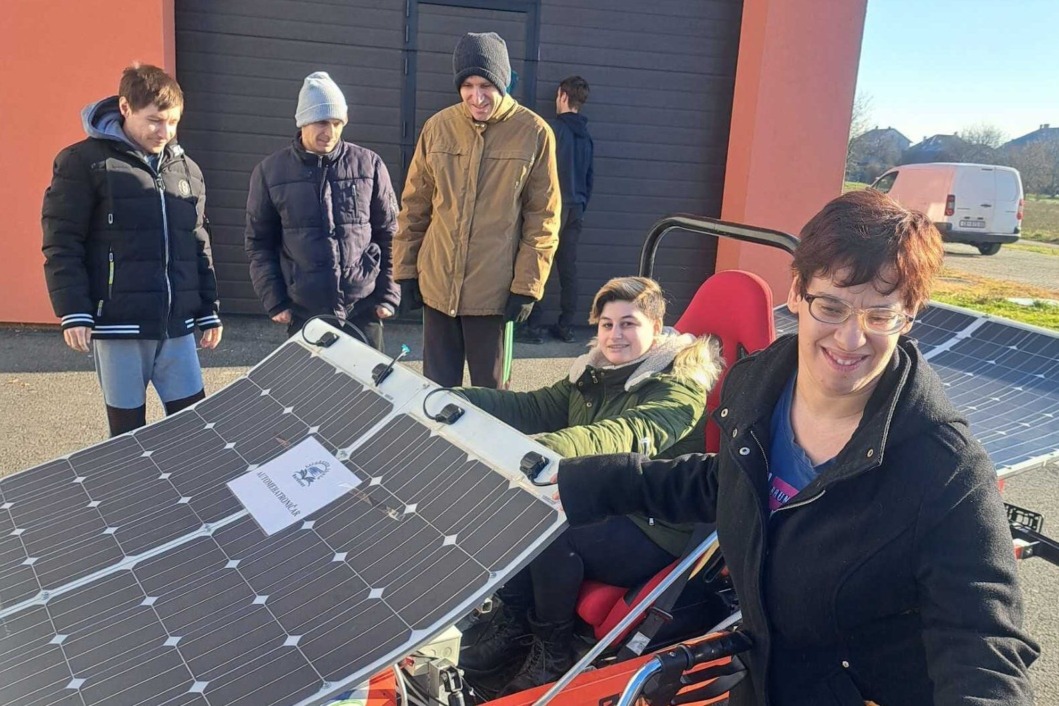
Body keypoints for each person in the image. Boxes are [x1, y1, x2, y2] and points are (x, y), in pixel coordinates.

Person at [556, 190, 1039, 705]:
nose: (851, 339)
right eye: (831, 306)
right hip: (760, 682)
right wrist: (581, 480)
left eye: (880, 315)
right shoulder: (758, 386)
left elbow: (983, 643)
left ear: (910, 315)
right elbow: (731, 483)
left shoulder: (947, 471)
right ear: (797, 292)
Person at [456, 276, 724, 692]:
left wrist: (545, 451)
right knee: (523, 509)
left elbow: (626, 434)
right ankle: (516, 622)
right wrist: (455, 400)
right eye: (606, 324)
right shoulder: (595, 373)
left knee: (552, 529)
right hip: (601, 496)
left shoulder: (679, 387)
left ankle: (552, 651)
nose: (615, 335)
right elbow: (534, 406)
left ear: (656, 327)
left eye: (628, 324)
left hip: (654, 522)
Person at [42, 64, 222, 437]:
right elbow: (62, 240)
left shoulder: (187, 169)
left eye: (172, 122)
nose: (165, 132)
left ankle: (189, 496)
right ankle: (130, 497)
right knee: (127, 438)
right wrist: (74, 311)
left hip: (177, 329)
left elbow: (197, 242)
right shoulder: (83, 162)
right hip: (118, 326)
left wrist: (208, 310)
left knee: (196, 431)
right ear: (125, 108)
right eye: (155, 121)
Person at [393, 31, 561, 387]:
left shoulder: (534, 133)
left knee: (493, 397)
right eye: (467, 85)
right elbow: (415, 205)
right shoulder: (438, 128)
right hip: (438, 287)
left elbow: (543, 217)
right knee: (436, 393)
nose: (477, 96)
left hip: (495, 295)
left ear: (502, 82)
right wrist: (406, 270)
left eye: (486, 84)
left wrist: (527, 286)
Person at [245, 72, 399, 347]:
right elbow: (259, 243)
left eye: (337, 122)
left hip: (363, 309)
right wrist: (275, 300)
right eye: (320, 122)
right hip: (305, 311)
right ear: (303, 121)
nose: (329, 132)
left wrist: (388, 294)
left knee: (369, 390)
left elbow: (390, 235)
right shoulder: (270, 172)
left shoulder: (370, 165)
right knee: (312, 390)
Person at [519, 75, 594, 344]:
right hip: (575, 209)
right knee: (568, 268)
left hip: (552, 208)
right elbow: (589, 178)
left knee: (539, 262)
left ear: (562, 97)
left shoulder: (551, 131)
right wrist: (581, 205)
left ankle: (533, 327)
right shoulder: (586, 138)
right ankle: (566, 326)